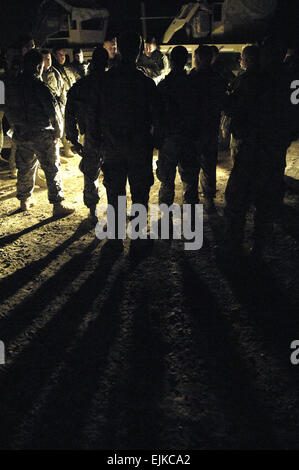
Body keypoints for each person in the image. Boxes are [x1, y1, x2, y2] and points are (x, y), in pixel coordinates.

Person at [99, 30, 161, 248]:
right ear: (137, 52)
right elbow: (156, 117)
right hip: (138, 147)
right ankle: (138, 234)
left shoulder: (106, 81)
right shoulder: (145, 83)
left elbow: (97, 114)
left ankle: (115, 237)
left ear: (120, 50)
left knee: (115, 193)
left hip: (113, 147)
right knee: (140, 192)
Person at [5, 49, 74, 216]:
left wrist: (15, 129)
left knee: (25, 167)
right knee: (52, 168)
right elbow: (53, 111)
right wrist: (58, 132)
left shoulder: (14, 85)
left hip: (22, 133)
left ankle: (24, 201)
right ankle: (57, 205)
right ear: (38, 66)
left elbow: (8, 109)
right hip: (42, 133)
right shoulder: (39, 86)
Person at [65, 46, 108, 220]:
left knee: (91, 173)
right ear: (106, 63)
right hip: (113, 136)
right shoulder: (114, 83)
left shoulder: (81, 86)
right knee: (115, 173)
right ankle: (116, 213)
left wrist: (73, 140)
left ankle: (92, 211)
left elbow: (69, 114)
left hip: (90, 136)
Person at [156, 46, 196, 205]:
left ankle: (166, 221)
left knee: (166, 181)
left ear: (171, 62)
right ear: (186, 60)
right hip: (189, 138)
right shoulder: (193, 85)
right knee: (190, 181)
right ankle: (192, 222)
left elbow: (157, 114)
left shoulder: (164, 86)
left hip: (169, 139)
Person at [189, 45, 226, 213]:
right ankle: (208, 200)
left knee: (191, 165)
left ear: (197, 59)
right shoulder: (217, 78)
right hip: (210, 127)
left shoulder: (192, 78)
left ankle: (192, 200)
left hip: (194, 129)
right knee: (209, 164)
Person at [52, 46, 79, 157]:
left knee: (69, 125)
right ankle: (62, 150)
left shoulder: (69, 68)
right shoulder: (53, 70)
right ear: (55, 55)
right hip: (60, 103)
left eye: (64, 55)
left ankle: (68, 147)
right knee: (60, 127)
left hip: (70, 101)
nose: (62, 57)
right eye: (60, 54)